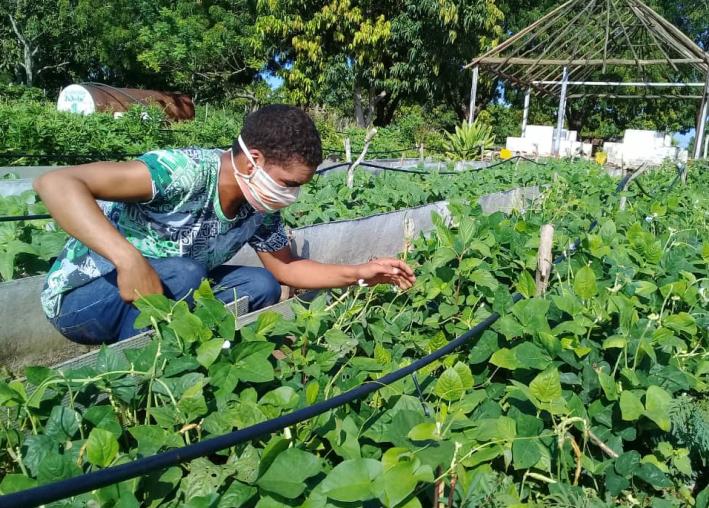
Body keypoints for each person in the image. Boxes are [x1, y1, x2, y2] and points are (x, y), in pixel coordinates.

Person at [35, 104, 416, 344]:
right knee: (185, 274)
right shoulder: (182, 173)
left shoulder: (259, 205)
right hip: (82, 298)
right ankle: (137, 373)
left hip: (165, 291)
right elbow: (56, 183)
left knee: (261, 285)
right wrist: (127, 258)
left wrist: (360, 273)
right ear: (253, 161)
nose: (292, 195)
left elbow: (287, 268)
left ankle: (200, 351)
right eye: (289, 184)